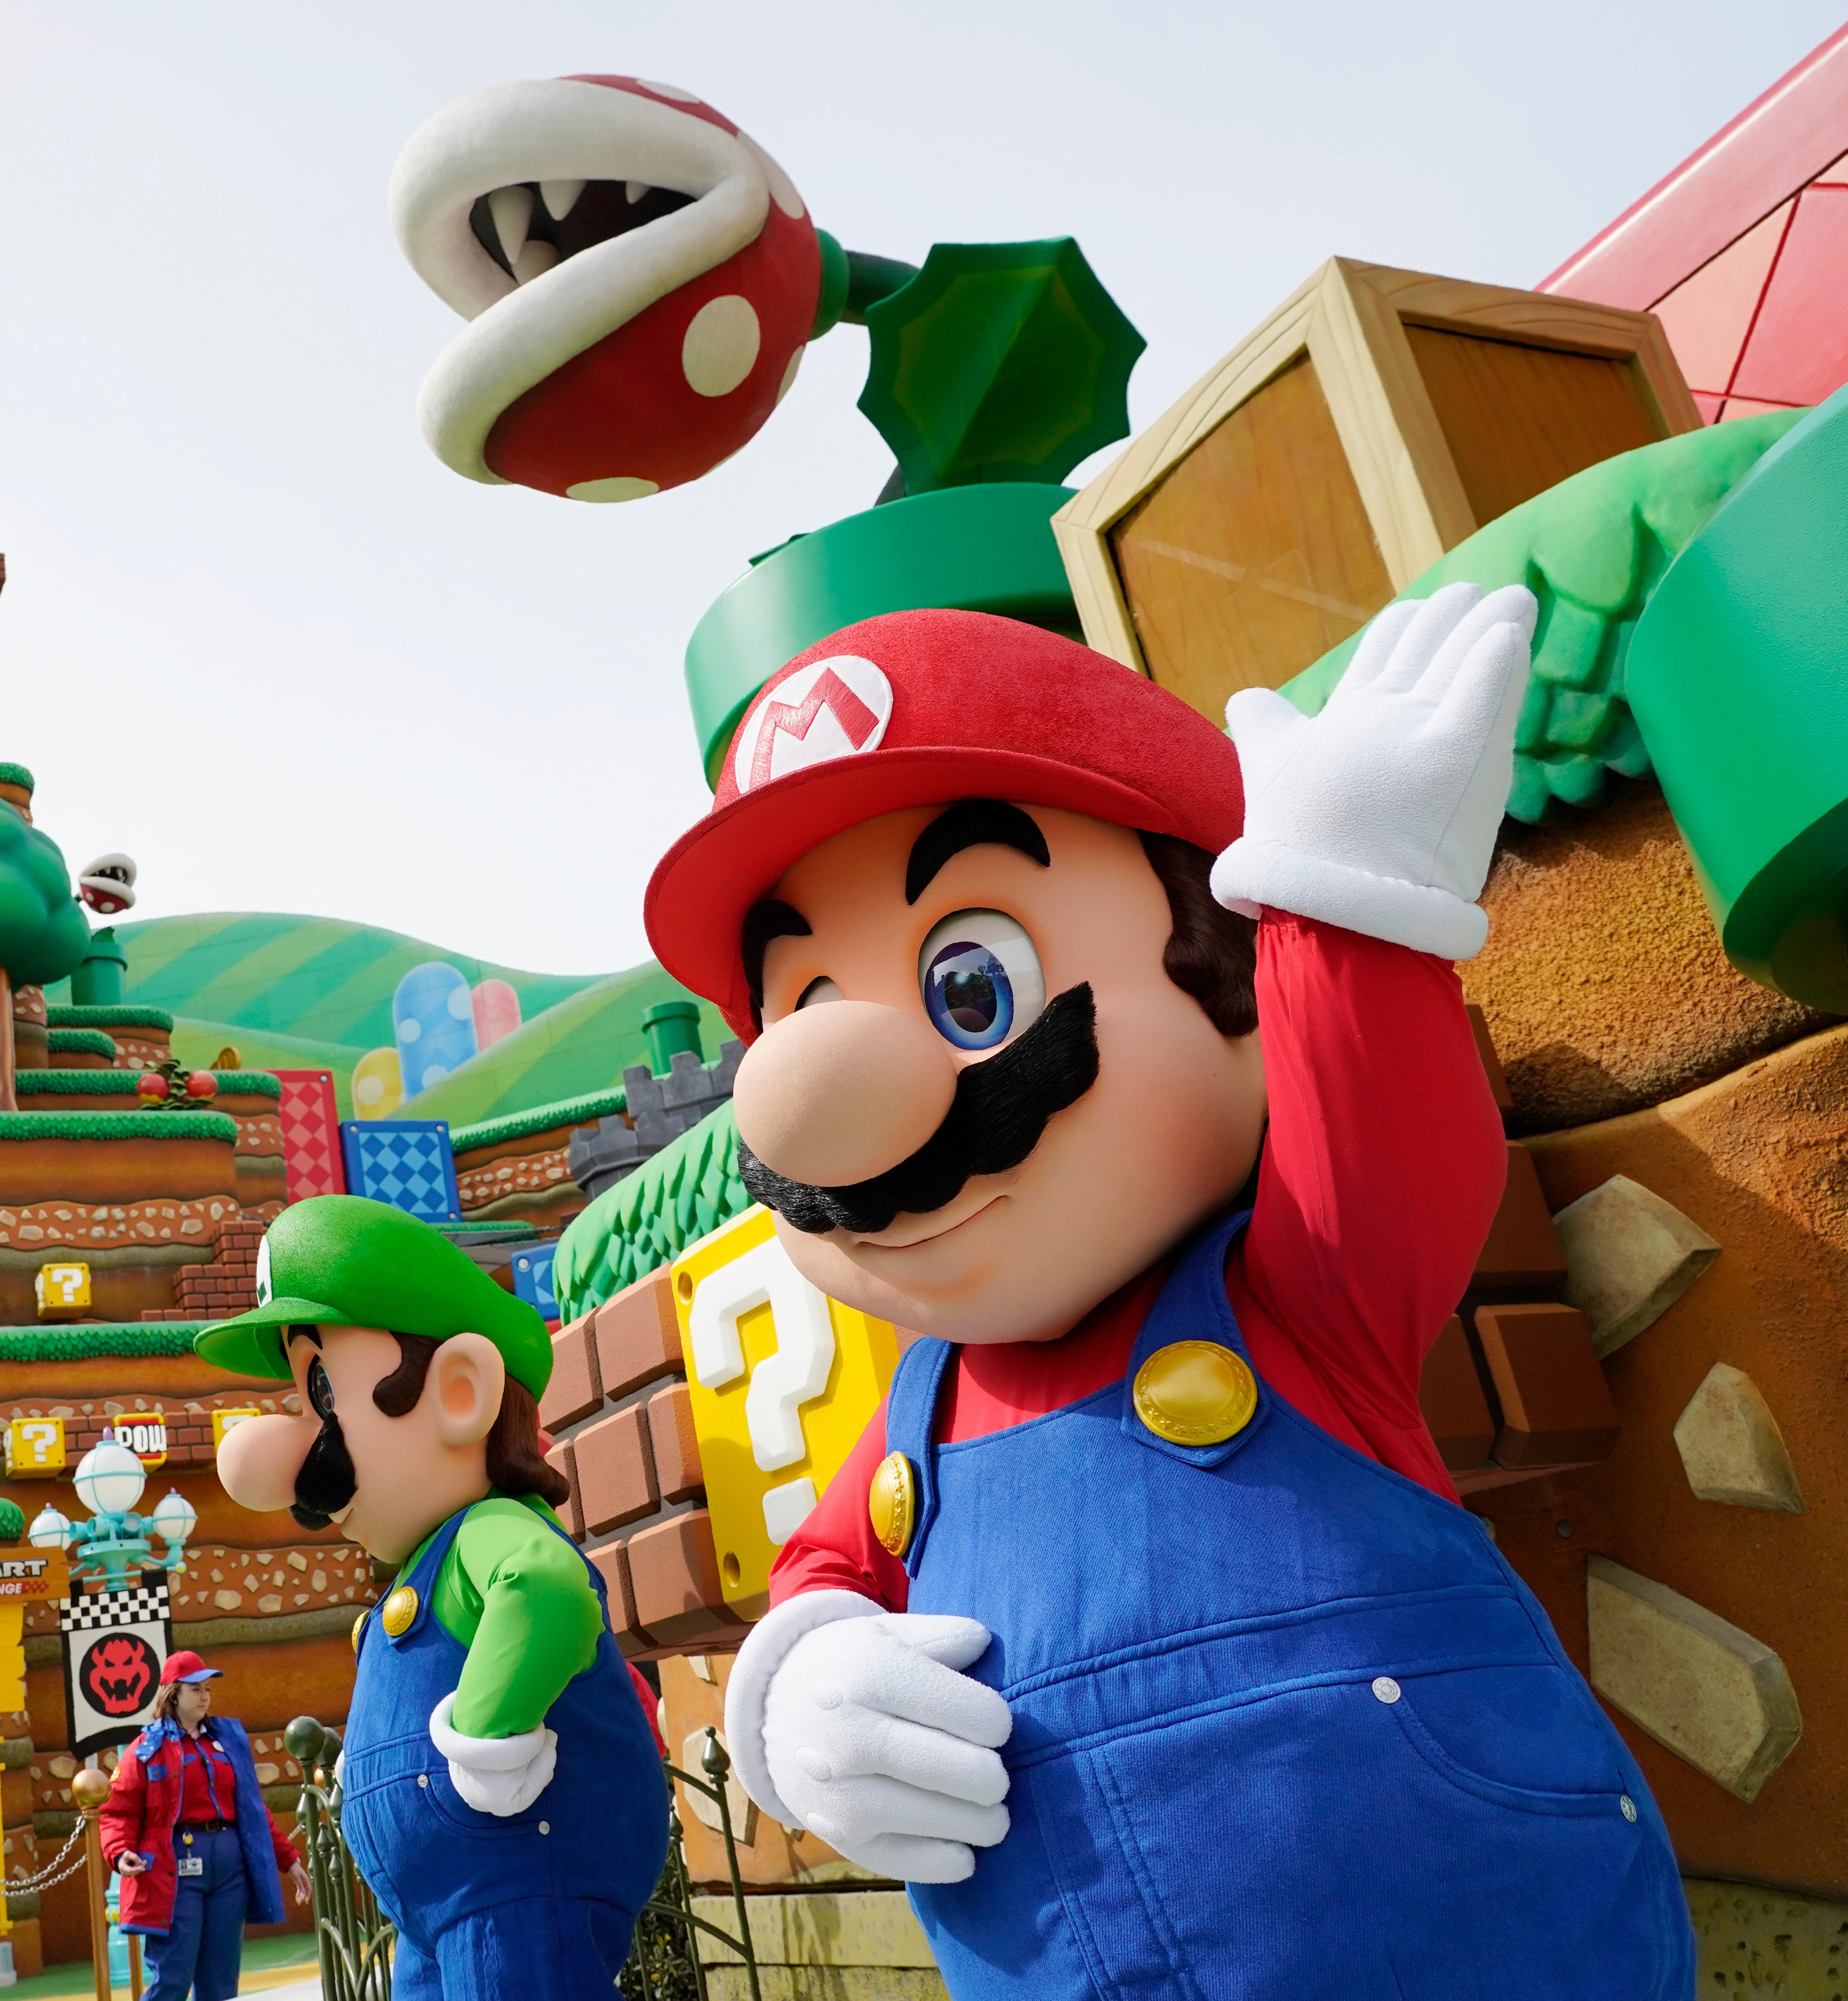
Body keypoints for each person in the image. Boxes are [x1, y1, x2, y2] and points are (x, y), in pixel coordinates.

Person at [638, 601, 1691, 1997]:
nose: (820, 1096)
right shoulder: (918, 1415)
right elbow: (826, 1566)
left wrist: (1344, 907)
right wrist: (802, 1686)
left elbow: (1383, 1138)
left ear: (1224, 963)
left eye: (969, 983)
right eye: (801, 1005)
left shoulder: (1291, 1298)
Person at [207, 1196, 669, 1998]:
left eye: (321, 1391)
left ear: (459, 1390)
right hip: (440, 1903)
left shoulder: (485, 1534)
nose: (290, 1452)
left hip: (518, 1879)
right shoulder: (422, 1564)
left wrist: (483, 1734)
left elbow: (546, 1589)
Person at [97, 1654, 304, 2001]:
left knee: (221, 1983)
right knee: (173, 1978)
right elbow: (119, 1811)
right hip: (174, 1870)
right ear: (173, 1695)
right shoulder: (145, 1749)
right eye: (195, 1689)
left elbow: (253, 1810)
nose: (205, 1696)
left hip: (230, 1870)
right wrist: (119, 1852)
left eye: (207, 1688)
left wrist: (290, 1860)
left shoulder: (227, 1742)